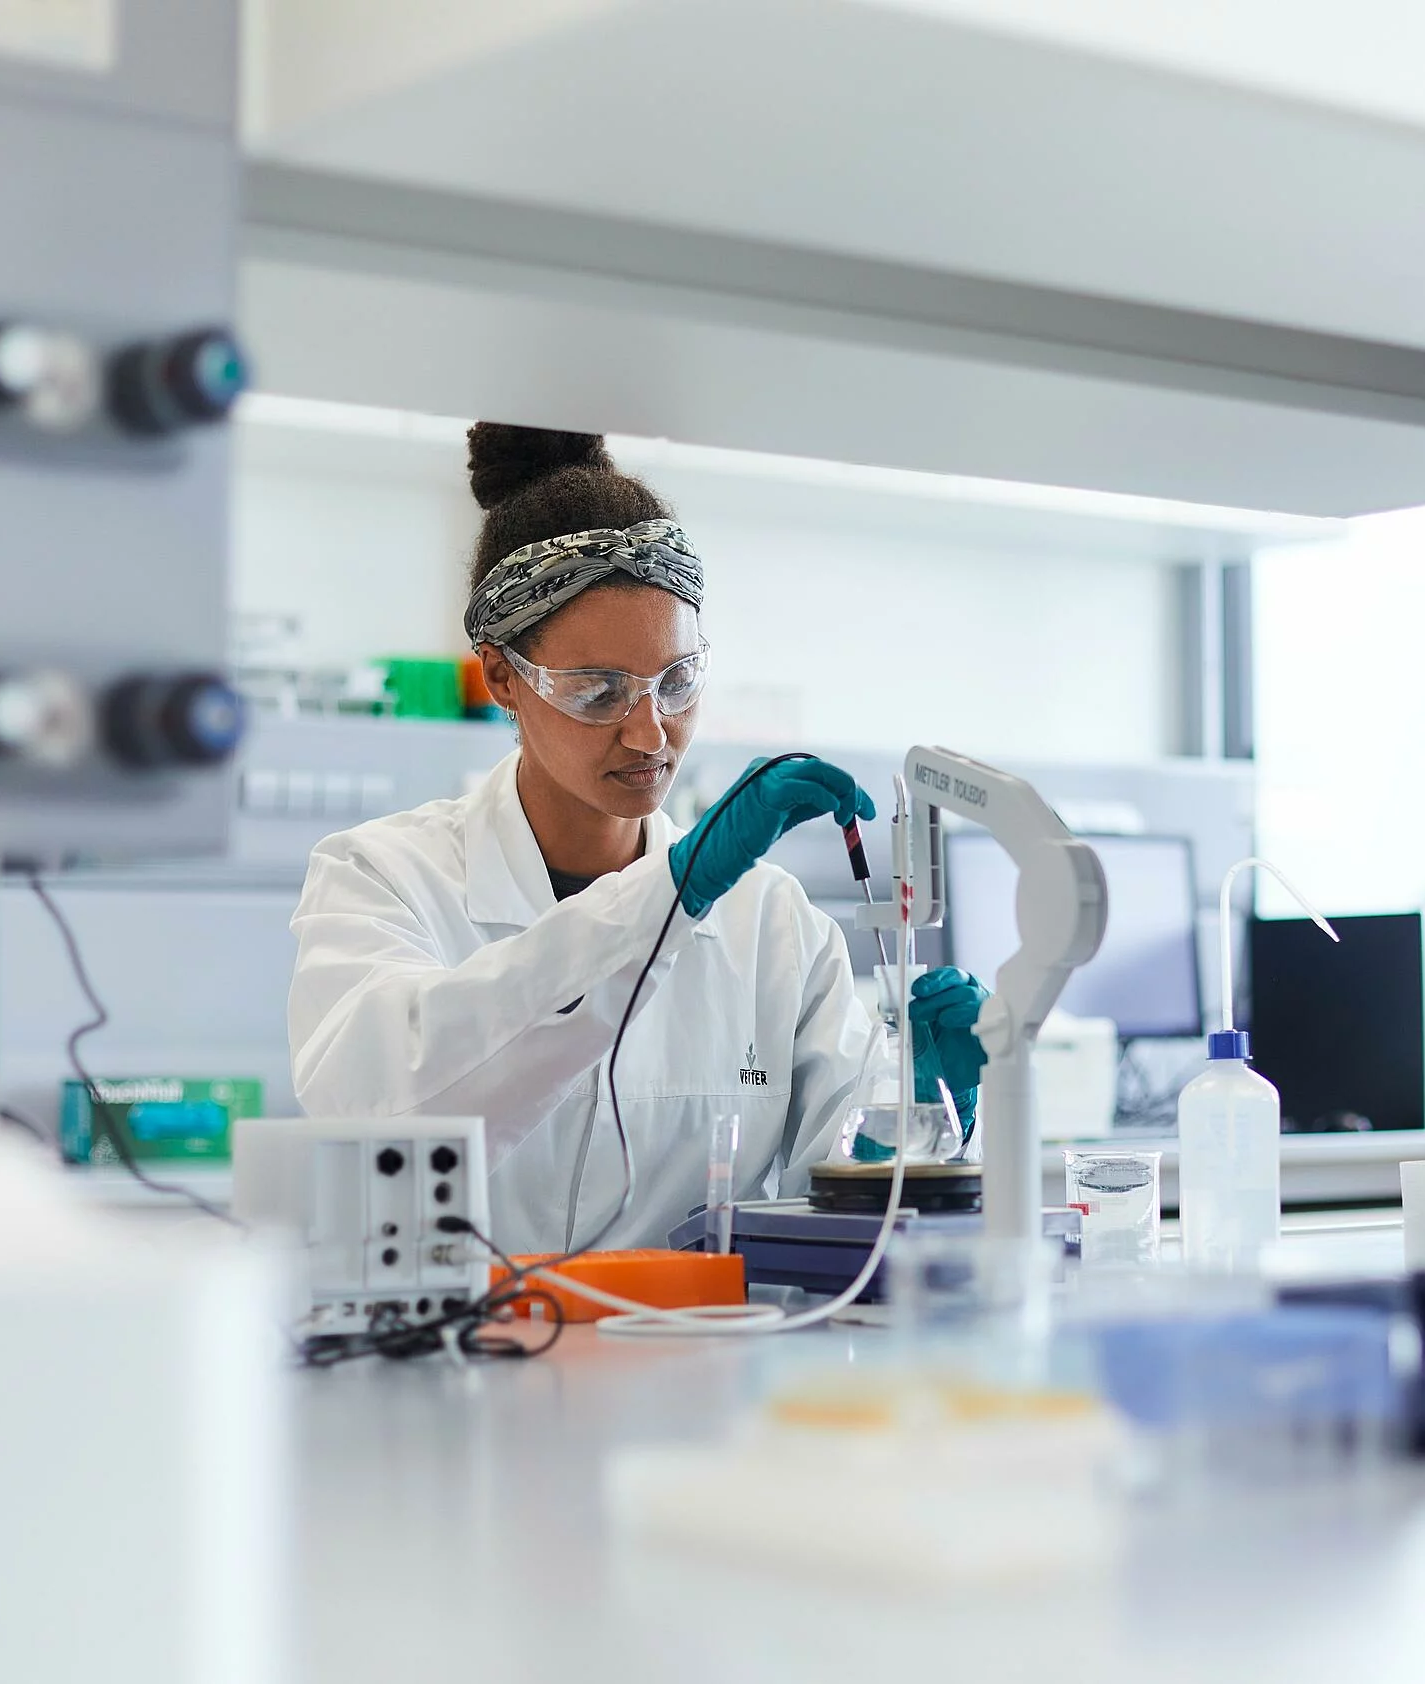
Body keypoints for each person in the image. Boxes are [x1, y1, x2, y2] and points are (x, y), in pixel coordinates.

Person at [286, 425, 987, 1251]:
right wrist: (670, 895)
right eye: (599, 691)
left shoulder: (773, 923)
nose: (650, 732)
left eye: (677, 681)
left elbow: (839, 1202)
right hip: (463, 1365)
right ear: (503, 675)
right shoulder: (381, 878)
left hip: (699, 1368)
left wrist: (920, 1117)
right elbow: (380, 1106)